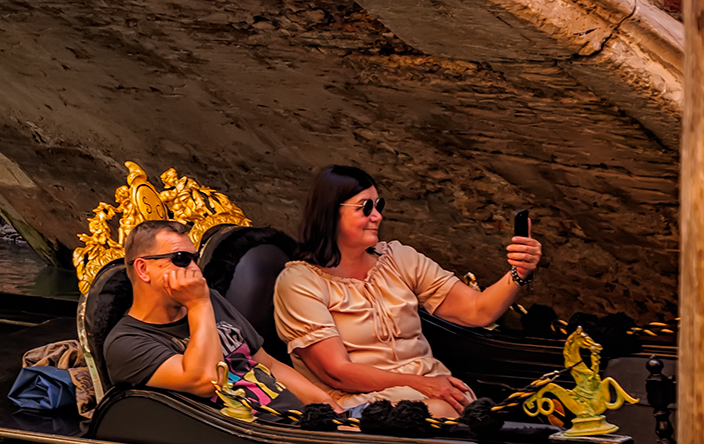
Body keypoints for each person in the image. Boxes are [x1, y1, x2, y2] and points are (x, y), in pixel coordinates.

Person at [273, 165, 543, 418]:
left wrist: (518, 273)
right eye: (365, 207)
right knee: (443, 409)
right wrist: (423, 385)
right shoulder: (299, 282)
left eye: (379, 205)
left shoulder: (399, 258)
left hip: (436, 393)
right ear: (330, 213)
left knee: (460, 408)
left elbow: (477, 310)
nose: (377, 216)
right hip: (360, 407)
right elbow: (337, 373)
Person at [102, 219, 335, 405]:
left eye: (195, 259)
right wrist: (198, 305)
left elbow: (269, 365)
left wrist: (328, 407)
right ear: (143, 269)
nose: (194, 269)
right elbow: (207, 382)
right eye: (181, 259)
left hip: (295, 421)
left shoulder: (210, 299)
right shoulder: (126, 342)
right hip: (246, 439)